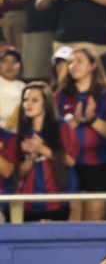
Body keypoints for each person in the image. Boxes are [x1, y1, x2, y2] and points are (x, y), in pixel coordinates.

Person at [55, 46, 106, 221]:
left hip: (99, 166)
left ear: (93, 65)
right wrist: (72, 124)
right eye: (71, 62)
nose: (73, 65)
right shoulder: (60, 96)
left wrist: (92, 120)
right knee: (72, 223)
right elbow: (52, 134)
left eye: (79, 61)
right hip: (69, 166)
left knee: (93, 223)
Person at [12, 82, 81, 221]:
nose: (28, 104)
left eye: (34, 100)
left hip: (57, 201)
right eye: (25, 100)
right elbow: (17, 174)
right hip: (28, 204)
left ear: (46, 103)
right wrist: (31, 158)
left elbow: (70, 161)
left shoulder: (62, 127)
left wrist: (41, 149)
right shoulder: (23, 133)